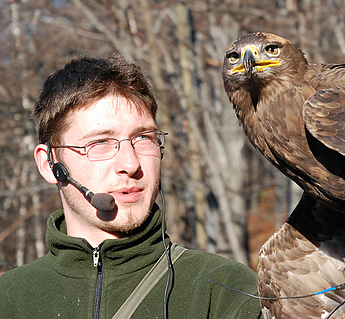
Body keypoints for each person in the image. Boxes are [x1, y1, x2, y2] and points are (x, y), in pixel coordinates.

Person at [0, 56, 262, 318]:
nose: (131, 163)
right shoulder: (9, 299)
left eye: (143, 138)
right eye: (100, 142)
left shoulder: (227, 293)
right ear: (49, 164)